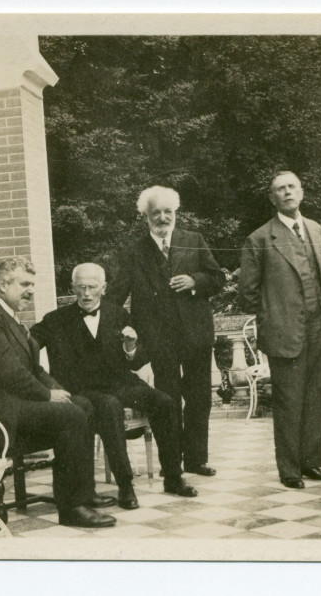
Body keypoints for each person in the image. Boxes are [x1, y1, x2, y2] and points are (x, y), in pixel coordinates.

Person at [0, 257, 117, 528]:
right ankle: (72, 508)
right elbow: (9, 372)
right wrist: (46, 396)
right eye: (25, 284)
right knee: (72, 416)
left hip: (9, 408)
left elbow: (34, 368)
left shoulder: (7, 316)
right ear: (4, 283)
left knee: (82, 404)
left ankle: (84, 493)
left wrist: (58, 391)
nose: (31, 290)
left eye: (32, 284)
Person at [31, 263, 199, 509]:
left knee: (164, 402)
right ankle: (125, 485)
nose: (87, 293)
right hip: (84, 389)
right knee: (110, 407)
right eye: (81, 287)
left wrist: (130, 347)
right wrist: (45, 382)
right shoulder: (55, 320)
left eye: (93, 287)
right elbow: (26, 345)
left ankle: (173, 476)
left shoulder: (118, 314)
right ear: (72, 289)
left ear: (104, 288)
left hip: (121, 382)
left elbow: (138, 359)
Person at [107, 186, 225, 477]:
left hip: (196, 336)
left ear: (176, 213)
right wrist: (118, 324)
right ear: (145, 216)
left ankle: (197, 460)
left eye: (167, 212)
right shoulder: (134, 252)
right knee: (167, 401)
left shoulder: (193, 240)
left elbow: (218, 278)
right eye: (155, 212)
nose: (162, 218)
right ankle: (170, 463)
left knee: (199, 399)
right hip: (159, 340)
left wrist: (194, 281)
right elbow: (116, 295)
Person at [239, 171, 321, 489]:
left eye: (291, 187)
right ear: (272, 199)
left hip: (318, 326)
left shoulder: (314, 228)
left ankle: (312, 462)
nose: (287, 193)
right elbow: (247, 294)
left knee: (315, 397)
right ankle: (289, 468)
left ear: (301, 192)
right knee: (288, 401)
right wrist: (276, 314)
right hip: (284, 331)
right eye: (279, 189)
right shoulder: (259, 239)